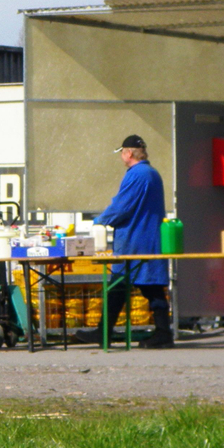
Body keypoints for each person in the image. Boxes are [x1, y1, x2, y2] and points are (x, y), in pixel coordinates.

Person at [76, 135, 173, 349]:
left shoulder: (138, 174)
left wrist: (99, 221)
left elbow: (122, 207)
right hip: (147, 238)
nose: (121, 156)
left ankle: (158, 333)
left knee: (129, 285)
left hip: (136, 240)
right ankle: (157, 332)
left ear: (128, 153)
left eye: (122, 152)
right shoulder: (151, 173)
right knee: (143, 286)